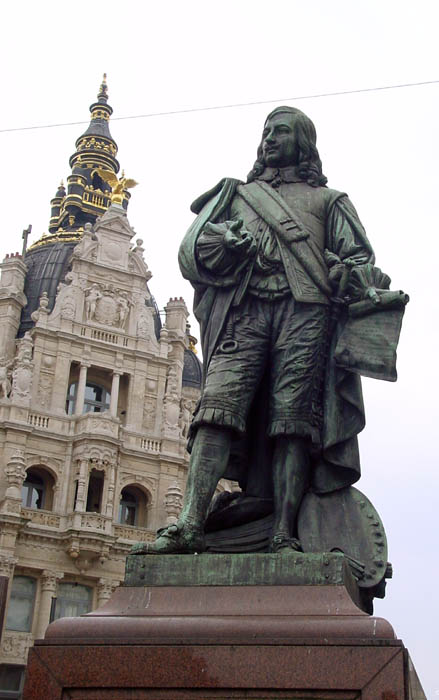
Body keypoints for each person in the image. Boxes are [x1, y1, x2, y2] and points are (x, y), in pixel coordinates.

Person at [131, 106, 378, 556]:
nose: (268, 139)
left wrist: (347, 272)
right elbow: (194, 253)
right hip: (244, 309)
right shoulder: (237, 196)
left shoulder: (331, 202)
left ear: (302, 141)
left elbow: (360, 261)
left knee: (293, 423)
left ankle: (283, 532)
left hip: (304, 313)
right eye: (265, 132)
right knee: (214, 411)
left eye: (280, 132)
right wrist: (224, 243)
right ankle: (189, 524)